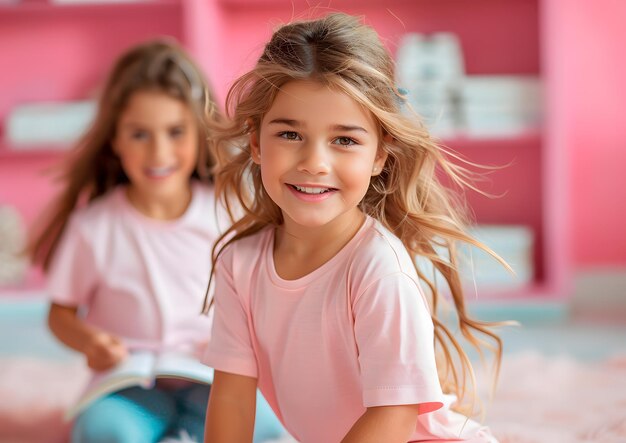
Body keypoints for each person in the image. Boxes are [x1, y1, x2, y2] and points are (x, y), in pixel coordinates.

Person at [202, 12, 508, 443]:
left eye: (344, 140)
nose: (314, 163)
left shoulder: (377, 269)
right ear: (255, 142)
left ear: (380, 155)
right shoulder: (240, 265)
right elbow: (232, 397)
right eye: (290, 134)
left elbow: (394, 416)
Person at [28, 39, 284, 443]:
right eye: (140, 134)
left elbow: (264, 295)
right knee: (103, 431)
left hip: (214, 377)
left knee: (268, 426)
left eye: (175, 132)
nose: (159, 151)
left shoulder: (229, 212)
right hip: (127, 385)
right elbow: (59, 314)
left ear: (200, 135)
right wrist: (91, 342)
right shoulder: (94, 228)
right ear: (115, 139)